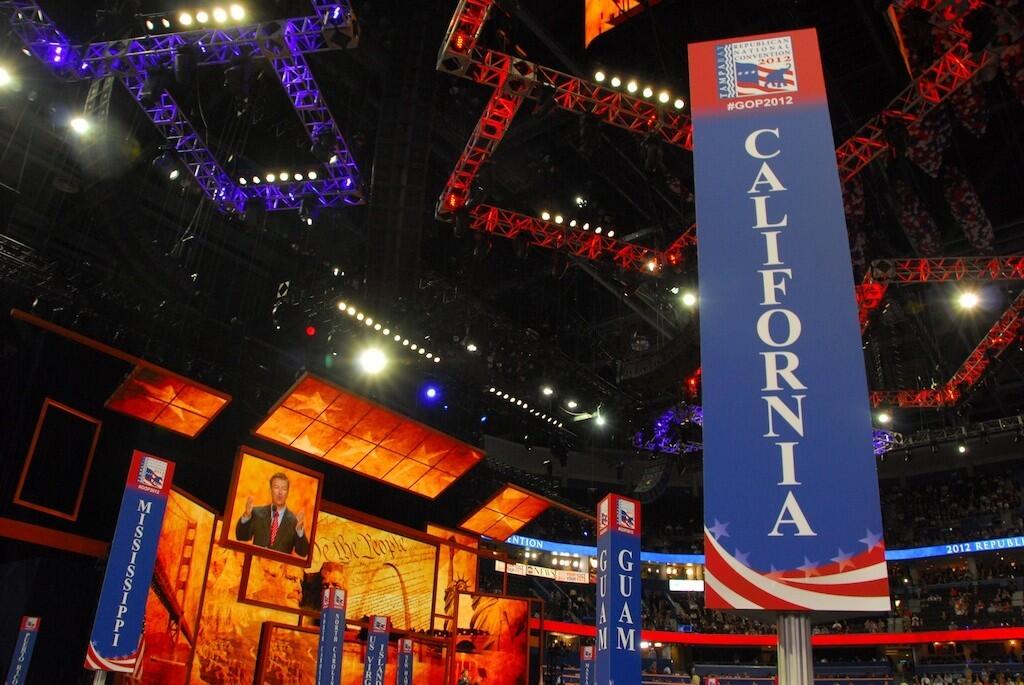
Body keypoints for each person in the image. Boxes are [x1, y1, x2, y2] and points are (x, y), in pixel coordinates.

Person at [235, 471, 309, 556]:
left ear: (287, 493)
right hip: (256, 567)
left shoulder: (294, 522)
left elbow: (303, 552)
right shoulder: (257, 513)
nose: (280, 492)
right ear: (270, 490)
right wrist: (247, 516)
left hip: (278, 568)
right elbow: (241, 536)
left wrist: (299, 530)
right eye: (276, 487)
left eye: (284, 489)